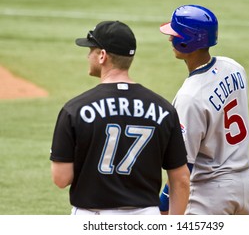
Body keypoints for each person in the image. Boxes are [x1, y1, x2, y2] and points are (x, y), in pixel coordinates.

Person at [50, 20, 190, 215]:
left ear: (102, 56)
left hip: (92, 219)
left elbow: (61, 179)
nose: (87, 55)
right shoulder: (164, 109)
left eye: (90, 49)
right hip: (145, 218)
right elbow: (181, 180)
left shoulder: (74, 109)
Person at [159, 5, 249, 215]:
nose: (170, 39)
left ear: (188, 40)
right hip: (247, 184)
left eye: (174, 34)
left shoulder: (189, 96)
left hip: (210, 194)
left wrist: (164, 203)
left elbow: (183, 168)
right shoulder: (234, 68)